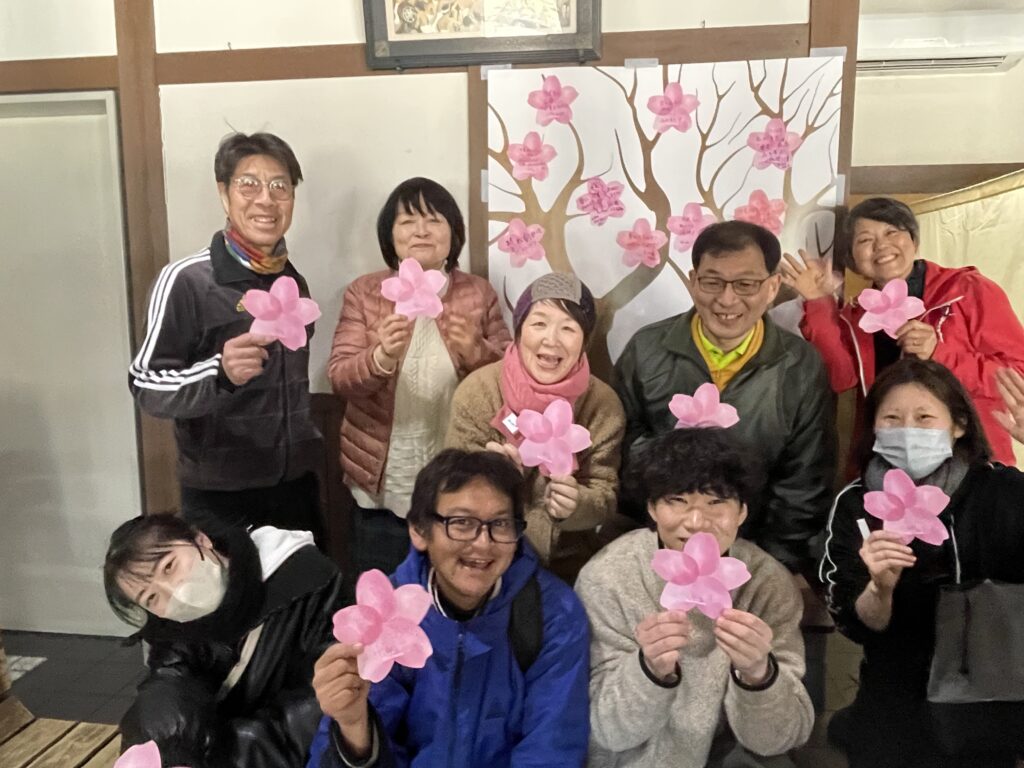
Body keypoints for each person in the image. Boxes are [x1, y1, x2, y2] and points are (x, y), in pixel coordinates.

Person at [305, 449, 589, 767]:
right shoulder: (387, 612)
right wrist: (354, 727)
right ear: (419, 531)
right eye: (462, 523)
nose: (483, 543)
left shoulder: (554, 613)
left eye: (500, 524)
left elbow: (552, 747)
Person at [820, 358, 1024, 767]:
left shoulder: (1001, 491)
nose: (908, 430)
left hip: (992, 700)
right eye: (892, 418)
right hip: (894, 700)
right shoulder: (857, 505)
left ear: (959, 424)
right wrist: (879, 588)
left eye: (925, 417)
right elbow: (857, 624)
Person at [576, 428, 813, 767]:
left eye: (716, 503)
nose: (697, 522)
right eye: (677, 501)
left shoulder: (767, 583)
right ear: (653, 509)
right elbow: (609, 731)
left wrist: (759, 674)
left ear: (742, 512)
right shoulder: (609, 577)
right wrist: (649, 670)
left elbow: (779, 740)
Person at [128, 132, 324, 542]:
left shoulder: (292, 279)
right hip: (221, 496)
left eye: (280, 187)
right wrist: (218, 373)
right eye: (249, 184)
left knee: (305, 603)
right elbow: (145, 383)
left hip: (295, 485)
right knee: (235, 605)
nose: (266, 200)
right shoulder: (187, 280)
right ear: (224, 194)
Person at [615, 221, 835, 573]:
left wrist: (776, 569)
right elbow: (621, 451)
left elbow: (804, 483)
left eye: (746, 284)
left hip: (755, 555)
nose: (727, 299)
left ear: (772, 286)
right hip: (660, 551)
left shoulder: (800, 366)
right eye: (712, 282)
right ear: (692, 281)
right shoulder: (646, 350)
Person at [329, 177, 511, 577]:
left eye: (435, 220)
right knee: (383, 593)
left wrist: (477, 354)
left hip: (457, 476)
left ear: (453, 234)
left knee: (453, 591)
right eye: (408, 221)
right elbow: (340, 379)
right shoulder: (365, 293)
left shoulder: (478, 294)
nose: (422, 230)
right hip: (381, 481)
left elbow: (508, 385)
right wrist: (380, 357)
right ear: (389, 236)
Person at [781, 196, 1024, 467]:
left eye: (892, 232)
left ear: (914, 241)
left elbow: (1017, 375)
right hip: (889, 462)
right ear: (852, 258)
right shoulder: (858, 314)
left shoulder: (966, 290)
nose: (881, 245)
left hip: (972, 460)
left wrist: (940, 352)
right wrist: (818, 301)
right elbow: (842, 378)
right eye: (864, 240)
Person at [105, 513, 343, 767]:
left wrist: (218, 756)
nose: (173, 593)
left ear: (201, 540)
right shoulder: (173, 627)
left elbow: (321, 707)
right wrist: (170, 751)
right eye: (151, 598)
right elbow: (168, 682)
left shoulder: (306, 579)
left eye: (169, 567)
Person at [445, 272, 628, 583]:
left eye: (568, 328)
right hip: (486, 560)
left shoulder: (602, 404)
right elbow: (450, 487)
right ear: (518, 332)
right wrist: (494, 480)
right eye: (539, 323)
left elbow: (604, 496)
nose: (551, 339)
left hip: (568, 566)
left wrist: (576, 505)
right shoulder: (478, 390)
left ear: (584, 341)